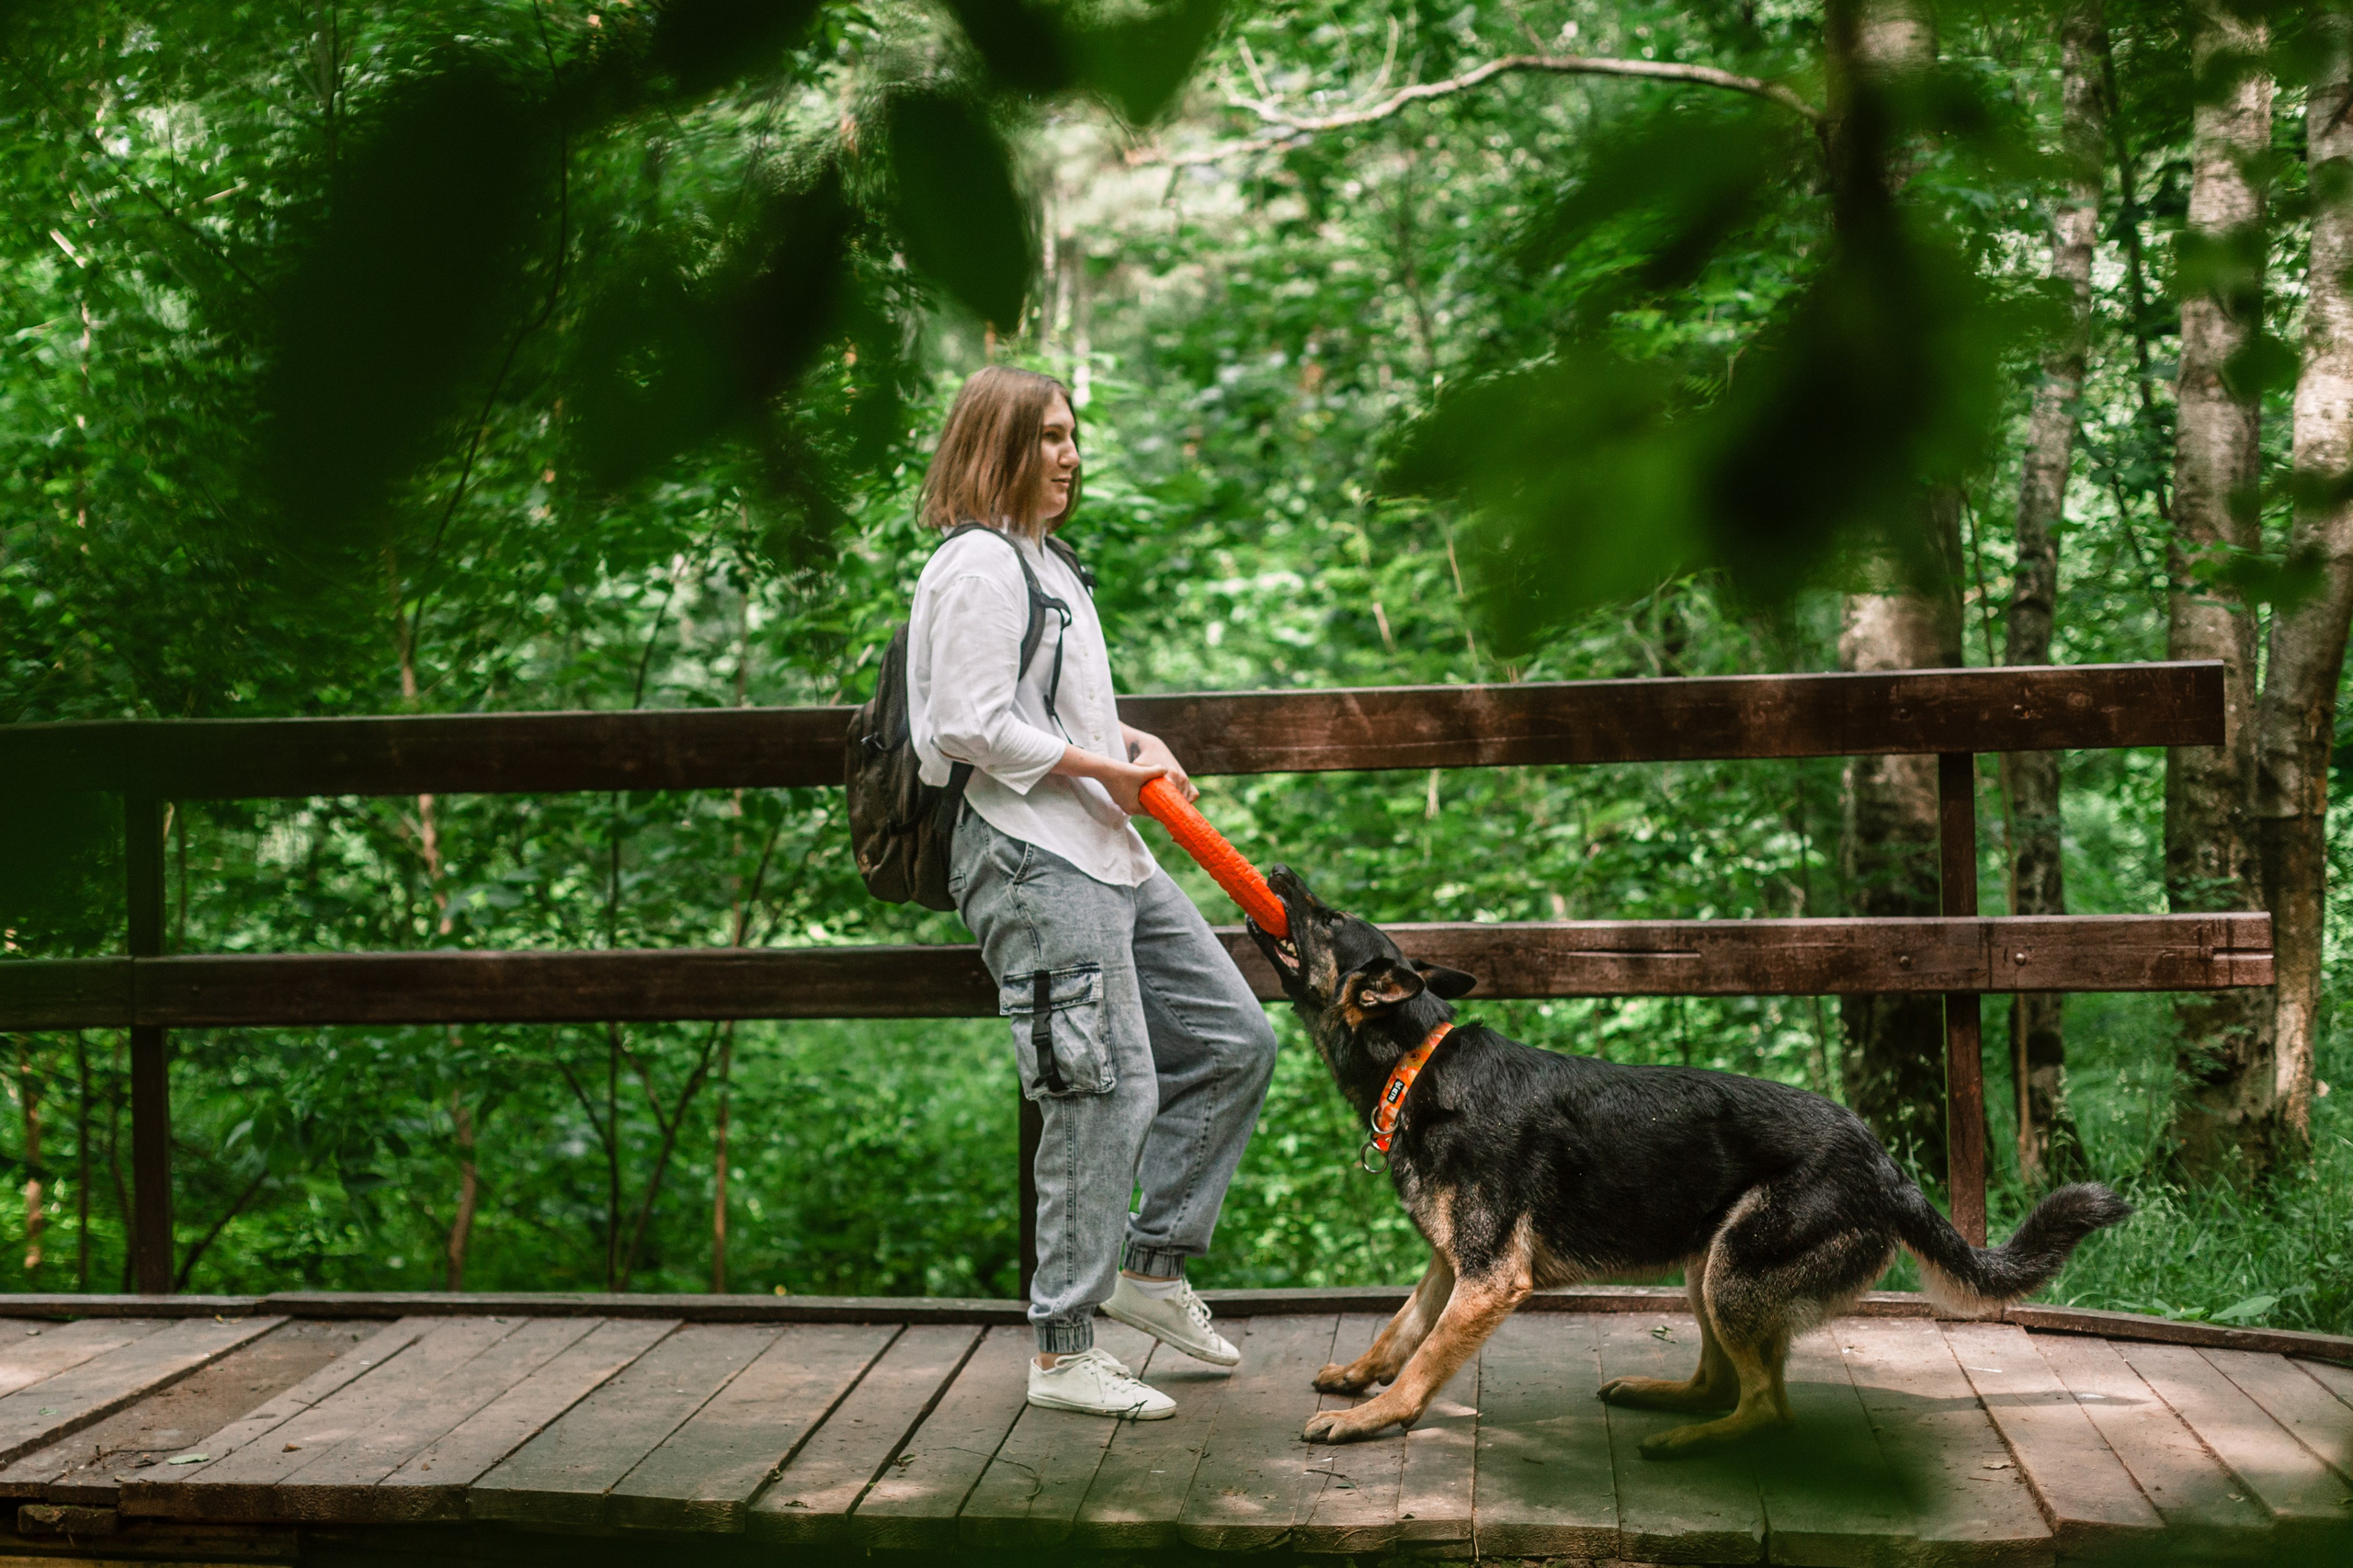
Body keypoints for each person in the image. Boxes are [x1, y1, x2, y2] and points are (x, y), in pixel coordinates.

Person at [906, 366, 1280, 1419]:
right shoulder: (977, 564)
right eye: (1049, 438)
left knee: (1232, 1041)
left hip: (1105, 845)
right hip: (1032, 856)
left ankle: (1151, 1273)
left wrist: (1127, 742)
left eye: (1074, 436)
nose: (1071, 455)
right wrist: (1093, 766)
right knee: (1099, 1088)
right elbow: (962, 725)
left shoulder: (1045, 560)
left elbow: (1041, 705)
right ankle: (1061, 1348)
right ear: (996, 449)